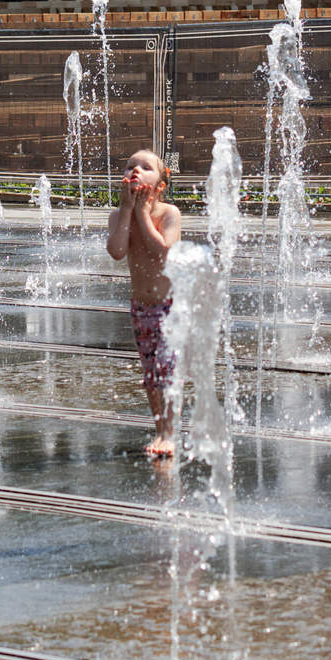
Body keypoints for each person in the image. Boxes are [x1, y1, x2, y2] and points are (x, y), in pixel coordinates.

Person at [106, 149, 183, 457]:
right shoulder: (118, 215)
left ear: (160, 185)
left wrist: (141, 213)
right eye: (129, 166)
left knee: (166, 372)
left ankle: (170, 432)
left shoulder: (168, 214)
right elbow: (116, 250)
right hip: (141, 308)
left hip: (171, 307)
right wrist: (127, 211)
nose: (135, 170)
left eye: (145, 167)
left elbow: (163, 251)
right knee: (151, 375)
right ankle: (159, 428)